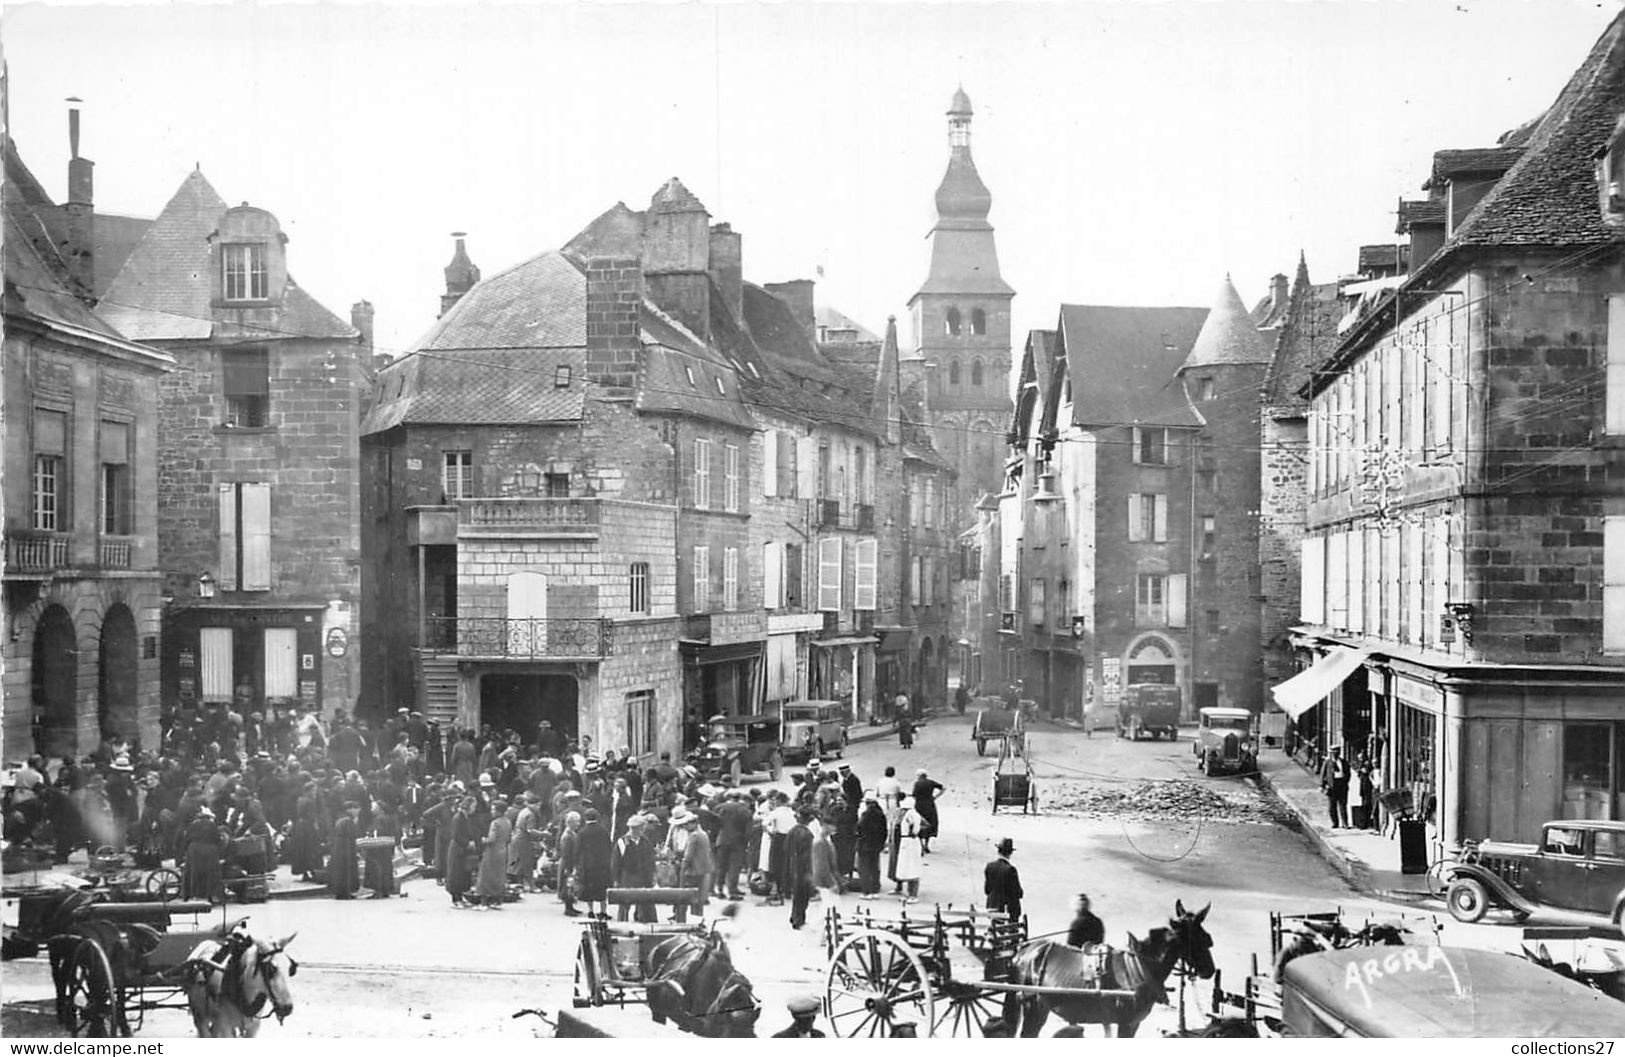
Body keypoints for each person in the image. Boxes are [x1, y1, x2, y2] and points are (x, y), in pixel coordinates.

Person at [670, 805, 712, 923]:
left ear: (693, 824)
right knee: (698, 902)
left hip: (691, 872)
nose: (685, 827)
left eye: (687, 824)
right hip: (702, 870)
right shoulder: (703, 834)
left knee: (683, 899)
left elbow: (688, 857)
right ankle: (697, 923)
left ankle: (680, 923)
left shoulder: (693, 836)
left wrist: (683, 869)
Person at [611, 815, 657, 923]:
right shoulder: (622, 842)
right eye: (640, 828)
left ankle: (646, 925)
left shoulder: (645, 841)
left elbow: (650, 860)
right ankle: (622, 925)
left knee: (646, 905)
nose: (642, 830)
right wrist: (616, 879)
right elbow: (615, 863)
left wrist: (653, 875)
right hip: (628, 877)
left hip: (644, 877)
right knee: (624, 905)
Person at [181, 807, 226, 904]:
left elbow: (186, 839)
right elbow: (217, 839)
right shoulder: (212, 825)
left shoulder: (193, 825)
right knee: (211, 873)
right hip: (209, 849)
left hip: (194, 849)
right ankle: (211, 895)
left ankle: (192, 894)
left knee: (193, 871)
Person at [577, 808, 613, 918]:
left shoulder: (582, 832)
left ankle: (590, 911)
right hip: (602, 864)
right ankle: (603, 912)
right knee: (602, 888)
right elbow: (609, 846)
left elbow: (579, 849)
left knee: (589, 889)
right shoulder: (603, 830)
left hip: (588, 865)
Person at [785, 807, 815, 929]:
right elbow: (808, 855)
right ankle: (799, 919)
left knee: (797, 893)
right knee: (803, 895)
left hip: (792, 864)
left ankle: (794, 916)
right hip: (803, 867)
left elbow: (786, 848)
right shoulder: (807, 834)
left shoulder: (792, 831)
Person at [327, 801, 362, 900]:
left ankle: (341, 891)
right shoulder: (348, 820)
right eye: (356, 808)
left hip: (339, 847)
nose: (358, 811)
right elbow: (351, 835)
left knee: (341, 870)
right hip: (345, 848)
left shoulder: (341, 819)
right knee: (346, 870)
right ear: (350, 809)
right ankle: (345, 891)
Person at [855, 791, 887, 899]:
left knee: (864, 868)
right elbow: (884, 831)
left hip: (865, 845)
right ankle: (875, 889)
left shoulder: (865, 815)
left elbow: (859, 828)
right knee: (874, 867)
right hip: (876, 845)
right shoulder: (881, 814)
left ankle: (866, 891)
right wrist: (881, 844)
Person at [984, 837, 1023, 922]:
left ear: (999, 851)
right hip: (1007, 911)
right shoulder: (1010, 869)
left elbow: (987, 890)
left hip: (992, 908)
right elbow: (1017, 892)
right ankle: (1013, 931)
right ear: (1010, 853)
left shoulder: (989, 867)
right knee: (1014, 902)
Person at [894, 797, 923, 903]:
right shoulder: (910, 814)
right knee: (906, 868)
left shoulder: (911, 814)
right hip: (906, 841)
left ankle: (913, 894)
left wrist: (911, 833)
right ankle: (909, 893)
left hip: (910, 842)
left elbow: (915, 829)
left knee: (912, 868)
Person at [911, 768, 944, 854]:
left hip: (919, 805)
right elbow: (943, 788)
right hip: (930, 804)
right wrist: (935, 797)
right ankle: (926, 844)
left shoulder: (917, 784)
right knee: (929, 823)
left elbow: (914, 795)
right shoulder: (931, 782)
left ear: (919, 776)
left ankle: (921, 844)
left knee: (919, 823)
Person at [557, 810, 583, 917]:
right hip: (567, 863)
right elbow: (566, 853)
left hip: (569, 862)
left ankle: (571, 906)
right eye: (577, 821)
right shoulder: (568, 836)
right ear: (571, 822)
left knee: (570, 885)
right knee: (567, 885)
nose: (578, 824)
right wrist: (568, 868)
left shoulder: (571, 833)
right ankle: (568, 908)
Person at [1320, 745, 1351, 829]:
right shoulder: (1327, 763)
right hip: (1332, 786)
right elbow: (1323, 774)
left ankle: (1345, 823)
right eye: (1333, 753)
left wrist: (1345, 782)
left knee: (1343, 805)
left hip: (1341, 785)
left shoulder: (1344, 762)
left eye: (1337, 752)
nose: (1335, 754)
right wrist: (1322, 785)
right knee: (1332, 806)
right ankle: (1335, 823)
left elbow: (1348, 774)